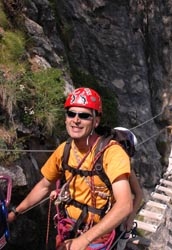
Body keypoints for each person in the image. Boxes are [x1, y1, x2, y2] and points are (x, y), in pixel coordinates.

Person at [8, 87, 133, 250]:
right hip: (68, 228)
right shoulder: (64, 150)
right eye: (71, 114)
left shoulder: (112, 153)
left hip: (97, 235)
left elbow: (124, 205)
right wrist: (16, 212)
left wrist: (84, 240)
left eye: (84, 115)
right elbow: (45, 186)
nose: (76, 120)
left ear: (96, 121)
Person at [112, 127, 143, 250]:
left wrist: (130, 219)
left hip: (115, 219)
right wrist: (130, 219)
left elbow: (139, 194)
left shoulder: (126, 167)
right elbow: (139, 194)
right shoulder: (125, 166)